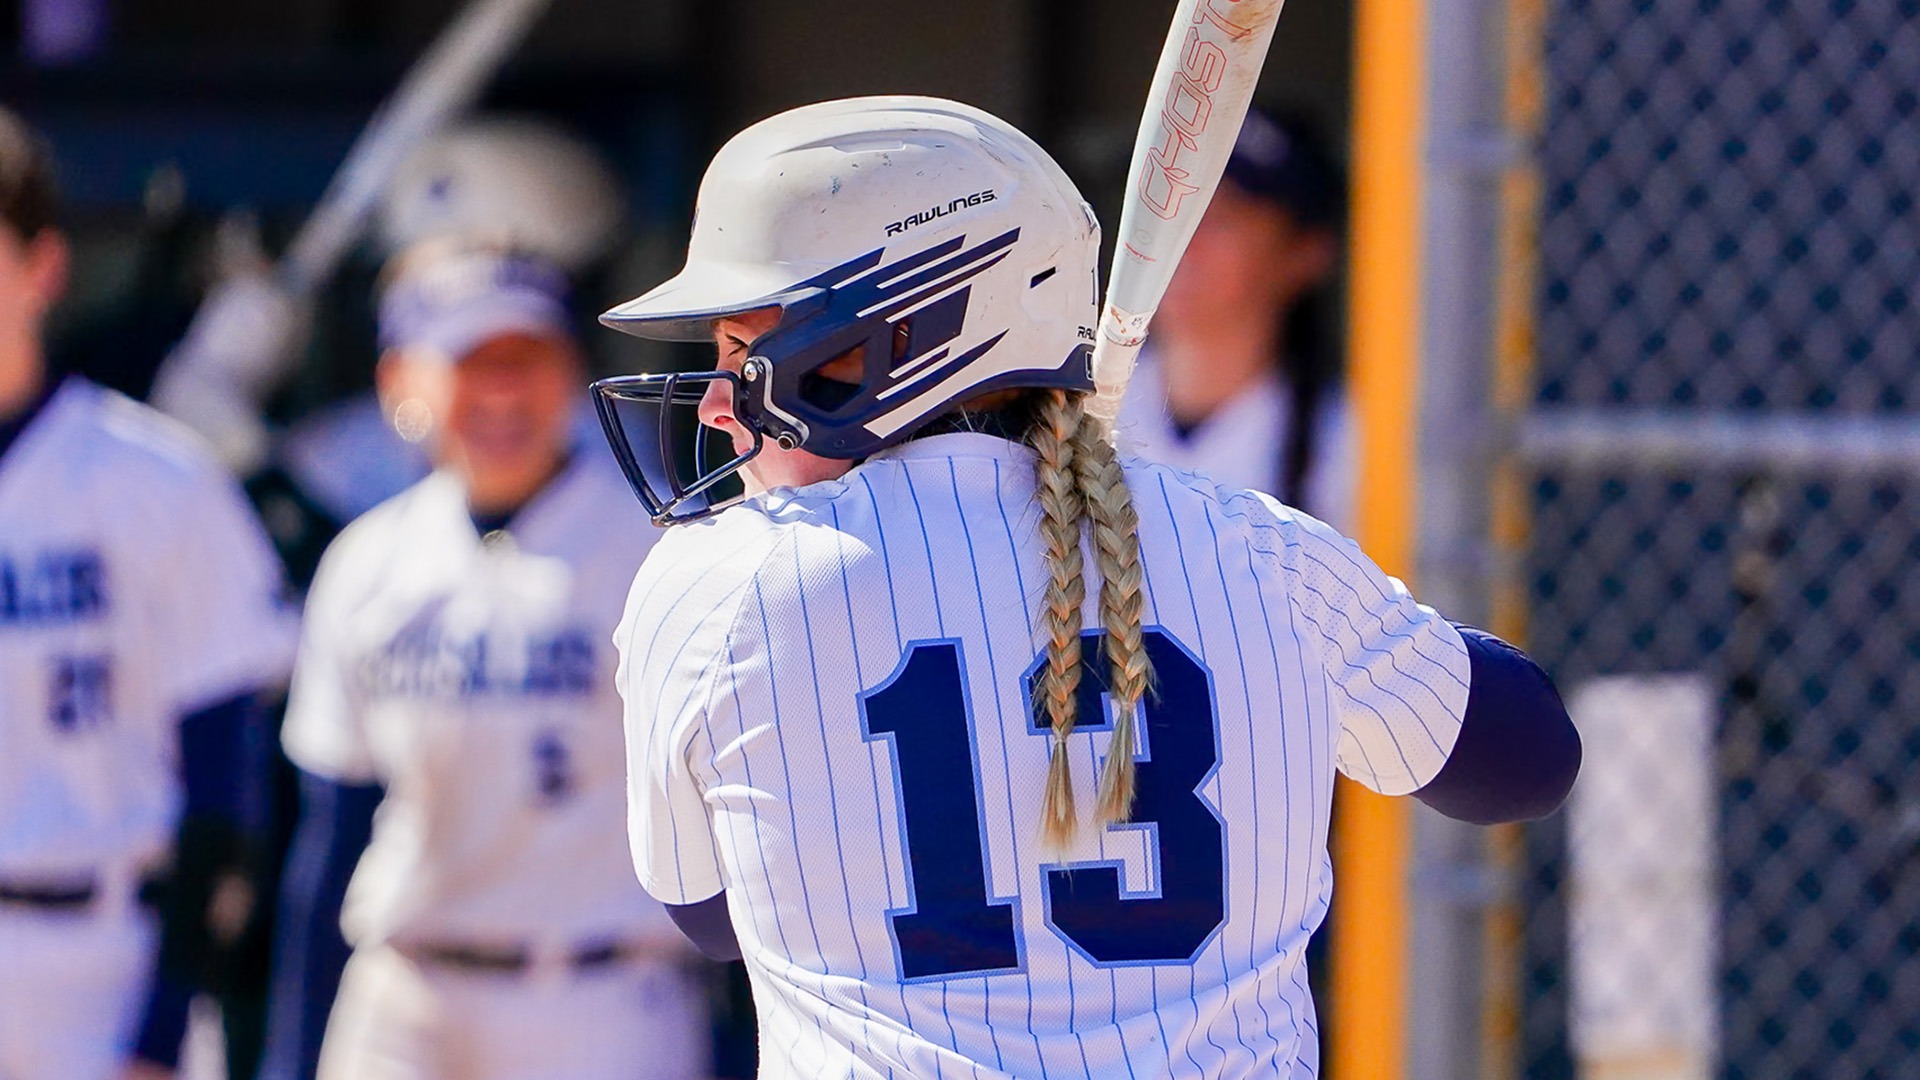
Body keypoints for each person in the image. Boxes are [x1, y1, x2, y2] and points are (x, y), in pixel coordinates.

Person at [594, 96, 1581, 1078]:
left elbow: (713, 915)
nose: (718, 406)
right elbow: (1525, 759)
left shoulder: (716, 582)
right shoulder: (1252, 546)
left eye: (743, 355)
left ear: (899, 345)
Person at [262, 240, 709, 1080]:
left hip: (601, 990)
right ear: (401, 384)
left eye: (526, 357)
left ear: (569, 371)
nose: (502, 388)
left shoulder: (654, 548)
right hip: (406, 996)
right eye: (471, 359)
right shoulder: (368, 560)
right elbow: (331, 835)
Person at [0, 108, 296, 1078]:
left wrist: (163, 1029)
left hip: (99, 965)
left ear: (42, 265)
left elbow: (227, 791)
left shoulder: (154, 476)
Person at [1115, 107, 1353, 528]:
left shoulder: (1348, 449)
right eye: (1169, 206)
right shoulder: (1070, 414)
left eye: (1222, 218)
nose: (1185, 239)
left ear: (1307, 251)